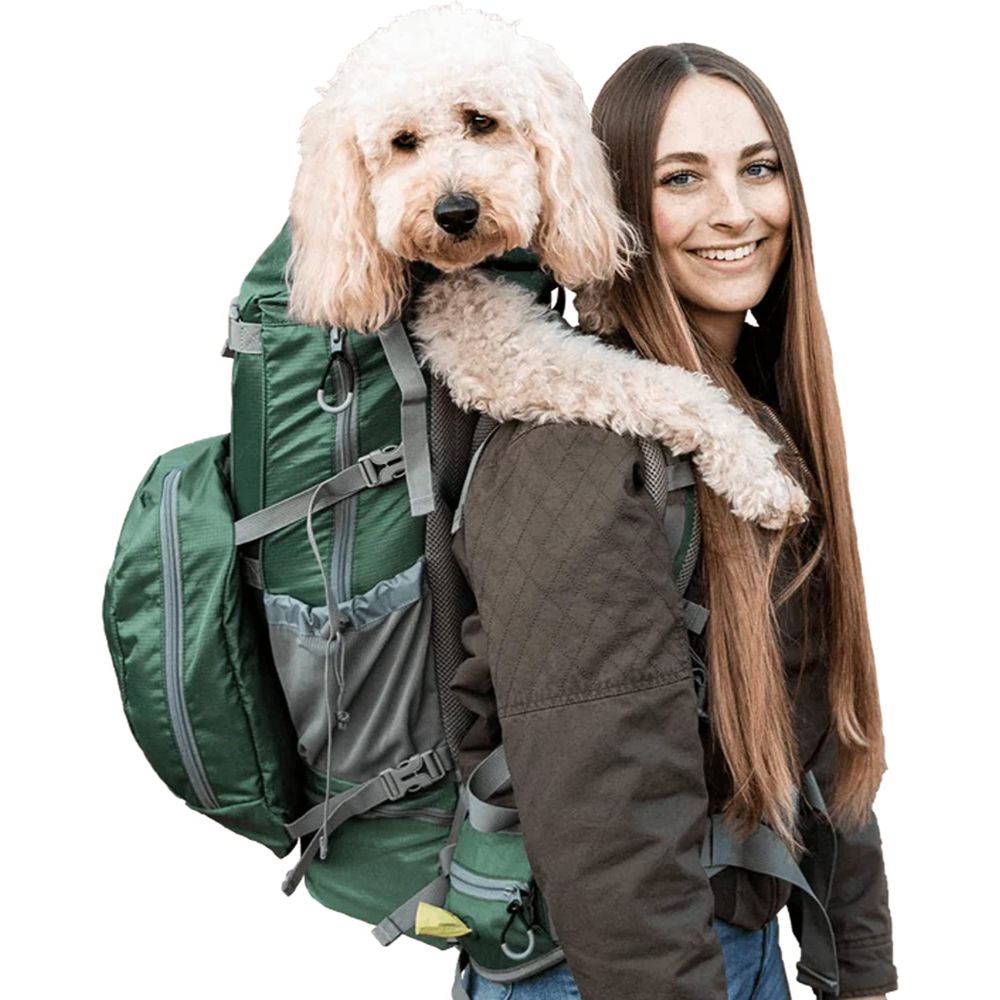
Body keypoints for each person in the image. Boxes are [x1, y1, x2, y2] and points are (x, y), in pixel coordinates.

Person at [449, 43, 897, 1000]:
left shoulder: (751, 422)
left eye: (758, 168)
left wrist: (856, 973)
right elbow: (611, 826)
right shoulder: (576, 448)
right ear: (613, 203)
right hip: (608, 971)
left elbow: (818, 727)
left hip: (731, 950)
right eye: (681, 178)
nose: (734, 211)